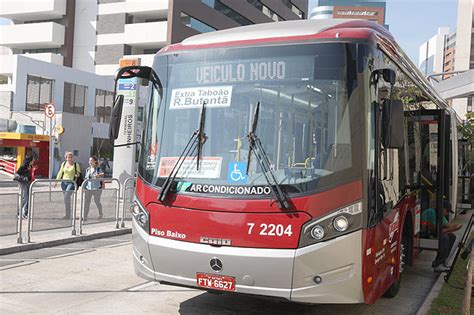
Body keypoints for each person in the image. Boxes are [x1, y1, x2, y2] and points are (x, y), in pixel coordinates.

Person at [420, 200, 462, 272]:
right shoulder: (431, 212)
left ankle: (441, 262)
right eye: (447, 211)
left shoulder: (440, 215)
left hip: (432, 233)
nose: (447, 214)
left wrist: (454, 227)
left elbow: (447, 226)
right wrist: (452, 228)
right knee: (444, 238)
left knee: (452, 236)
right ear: (443, 208)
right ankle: (437, 265)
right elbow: (436, 231)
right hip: (424, 234)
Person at [55, 151, 81, 220]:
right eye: (68, 157)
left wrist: (77, 174)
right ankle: (67, 215)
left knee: (66, 197)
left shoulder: (75, 164)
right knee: (66, 199)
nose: (69, 158)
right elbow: (60, 172)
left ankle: (68, 214)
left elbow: (79, 173)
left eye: (71, 157)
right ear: (66, 158)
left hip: (71, 183)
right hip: (64, 183)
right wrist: (56, 181)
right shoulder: (63, 164)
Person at [83, 156, 104, 221]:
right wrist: (84, 187)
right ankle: (85, 216)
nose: (90, 162)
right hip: (88, 188)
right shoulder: (87, 169)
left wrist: (99, 175)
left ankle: (100, 213)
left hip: (97, 188)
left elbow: (103, 174)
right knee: (86, 202)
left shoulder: (98, 169)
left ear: (95, 161)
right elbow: (86, 179)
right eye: (89, 161)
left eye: (91, 161)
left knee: (97, 201)